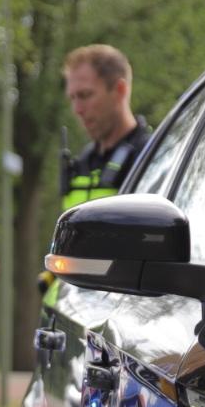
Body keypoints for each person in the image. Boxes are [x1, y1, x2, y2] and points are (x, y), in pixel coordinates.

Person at [44, 44, 153, 306]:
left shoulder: (151, 158)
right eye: (72, 98)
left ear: (120, 90)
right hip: (69, 311)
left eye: (85, 95)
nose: (77, 109)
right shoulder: (82, 162)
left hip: (119, 317)